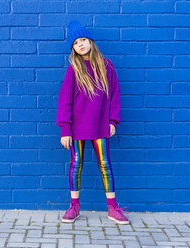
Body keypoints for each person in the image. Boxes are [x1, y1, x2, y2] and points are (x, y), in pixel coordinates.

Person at [56, 20, 129, 225]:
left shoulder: (107, 66)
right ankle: (74, 206)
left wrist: (113, 120)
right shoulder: (73, 70)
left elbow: (114, 95)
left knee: (105, 164)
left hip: (99, 126)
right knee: (76, 164)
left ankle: (113, 208)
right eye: (76, 42)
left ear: (91, 42)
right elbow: (65, 100)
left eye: (84, 39)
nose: (80, 44)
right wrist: (65, 129)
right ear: (73, 48)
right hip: (76, 128)